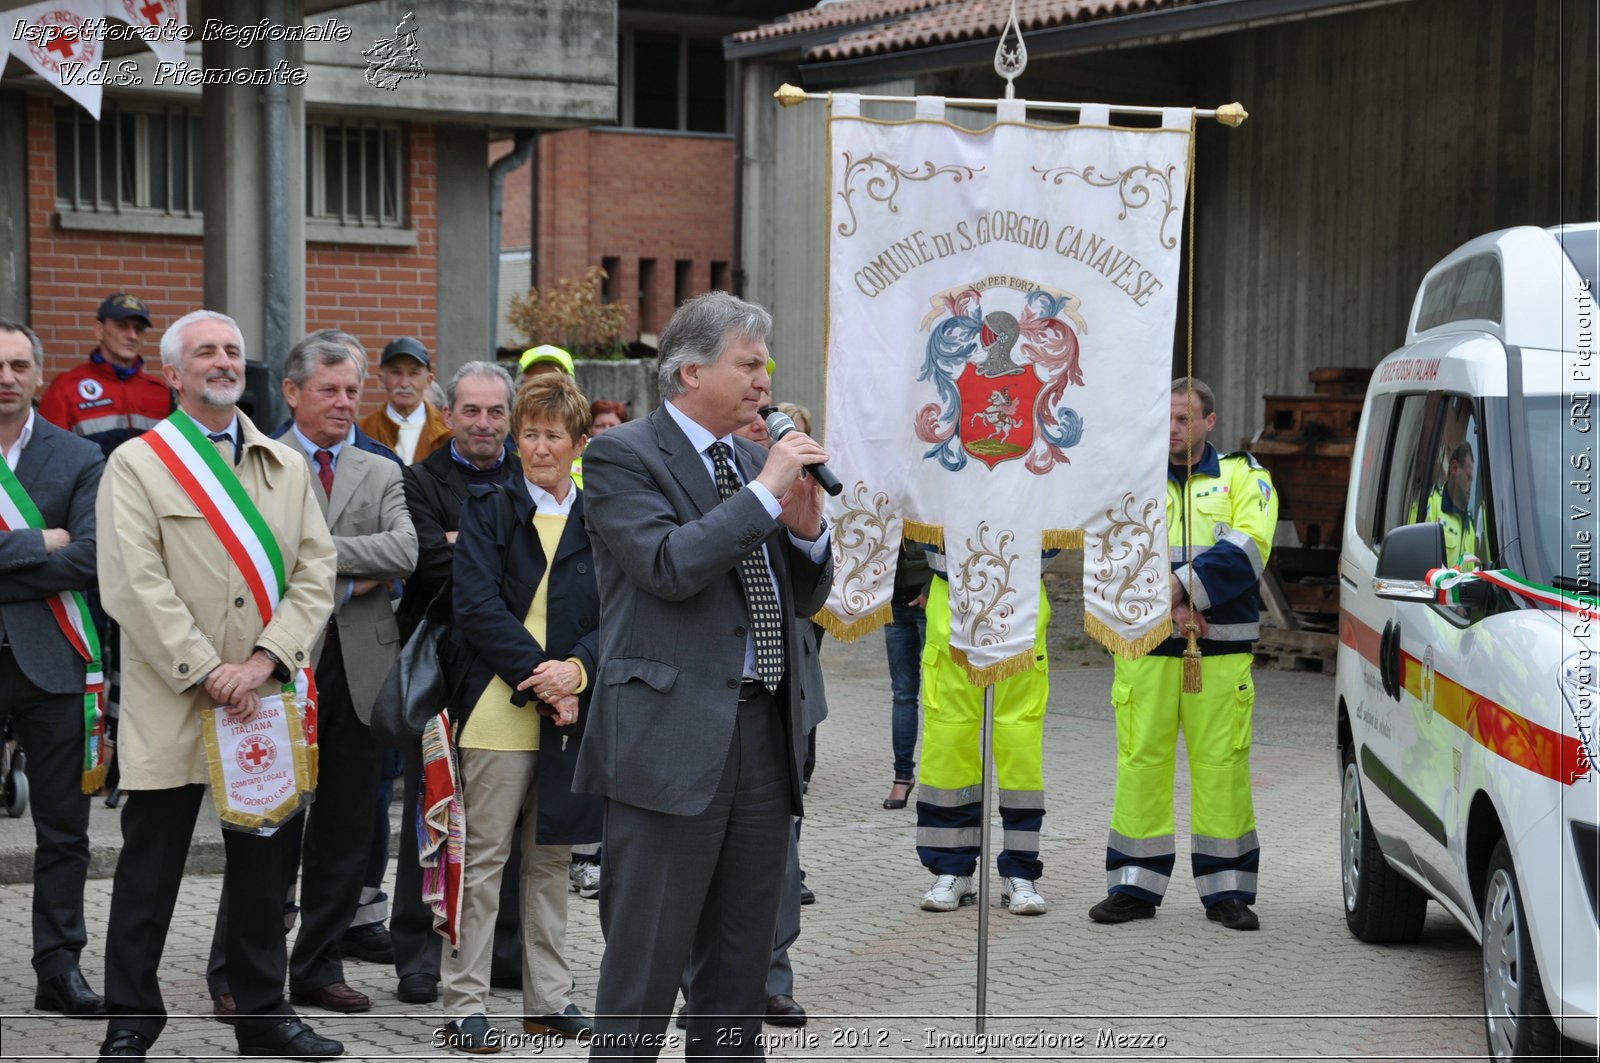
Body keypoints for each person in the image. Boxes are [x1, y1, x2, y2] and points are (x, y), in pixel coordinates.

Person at [575, 291, 832, 1059]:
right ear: (689, 371)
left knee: (739, 969)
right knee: (644, 968)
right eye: (748, 363)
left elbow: (803, 597)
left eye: (766, 365)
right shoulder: (622, 456)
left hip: (760, 731)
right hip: (667, 740)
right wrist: (765, 493)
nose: (764, 380)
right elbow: (669, 565)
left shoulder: (757, 460)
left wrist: (808, 530)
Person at [94, 310, 339, 1061]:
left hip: (261, 700)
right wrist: (208, 669)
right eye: (205, 351)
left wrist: (264, 661)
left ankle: (265, 1015)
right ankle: (132, 1016)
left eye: (232, 349)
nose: (223, 361)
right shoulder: (136, 463)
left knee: (265, 872)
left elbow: (314, 572)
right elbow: (133, 585)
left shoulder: (285, 466)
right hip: (177, 698)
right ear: (174, 372)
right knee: (149, 870)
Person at [440, 373, 603, 1049]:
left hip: (569, 710)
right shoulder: (488, 506)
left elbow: (619, 610)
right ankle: (464, 1004)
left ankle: (548, 1000)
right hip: (498, 706)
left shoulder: (600, 515)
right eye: (529, 433)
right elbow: (476, 606)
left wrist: (579, 670)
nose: (539, 447)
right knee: (481, 861)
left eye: (552, 434)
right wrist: (547, 680)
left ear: (577, 443)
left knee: (551, 862)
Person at [1088, 376, 1277, 932]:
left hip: (1217, 650)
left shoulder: (1245, 476)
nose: (1173, 430)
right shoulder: (1133, 480)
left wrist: (1182, 589)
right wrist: (1170, 604)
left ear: (1209, 422)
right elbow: (1113, 550)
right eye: (1166, 420)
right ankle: (1133, 886)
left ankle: (1228, 892)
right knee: (1140, 762)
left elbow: (1250, 545)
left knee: (1222, 767)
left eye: (1184, 419)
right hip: (1145, 644)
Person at [276, 332, 416, 1010]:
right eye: (328, 389)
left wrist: (311, 557)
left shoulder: (381, 467)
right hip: (277, 666)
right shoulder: (257, 464)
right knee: (268, 823)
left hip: (361, 671)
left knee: (346, 825)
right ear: (292, 391)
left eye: (352, 390)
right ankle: (236, 967)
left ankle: (320, 963)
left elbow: (406, 548)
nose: (343, 401)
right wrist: (355, 573)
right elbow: (256, 560)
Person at [391, 361, 525, 1006]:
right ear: (448, 416)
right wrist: (494, 550)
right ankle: (418, 955)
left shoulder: (531, 474)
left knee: (513, 824)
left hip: (514, 668)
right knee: (434, 815)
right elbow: (422, 557)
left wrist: (466, 543)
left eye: (496, 412)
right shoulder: (417, 480)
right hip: (444, 671)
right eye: (471, 411)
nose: (484, 424)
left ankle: (505, 954)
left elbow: (541, 563)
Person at [0, 319, 107, 1018]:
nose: (4, 377)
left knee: (64, 827)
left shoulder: (81, 456)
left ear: (40, 374)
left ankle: (58, 966)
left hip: (55, 662)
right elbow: (61, 553)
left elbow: (93, 559)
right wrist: (39, 541)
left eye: (17, 364)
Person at [914, 547, 1052, 916]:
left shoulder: (1035, 484)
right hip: (951, 606)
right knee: (948, 749)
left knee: (1019, 750)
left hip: (1019, 608)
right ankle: (951, 869)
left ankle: (1020, 873)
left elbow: (1059, 529)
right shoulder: (941, 484)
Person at [38, 293, 170, 456]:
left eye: (139, 329)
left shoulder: (162, 392)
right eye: (122, 326)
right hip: (91, 481)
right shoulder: (66, 387)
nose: (132, 335)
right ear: (99, 330)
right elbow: (49, 454)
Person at [882, 541, 931, 809]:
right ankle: (902, 777)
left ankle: (941, 780)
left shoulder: (936, 499)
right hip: (894, 606)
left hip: (929, 602)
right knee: (902, 693)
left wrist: (930, 588)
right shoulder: (883, 500)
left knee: (939, 694)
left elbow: (954, 541)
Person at [357, 337, 450, 465]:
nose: (404, 383)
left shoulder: (448, 432)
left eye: (413, 373)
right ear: (381, 378)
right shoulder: (362, 431)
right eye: (396, 372)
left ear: (428, 380)